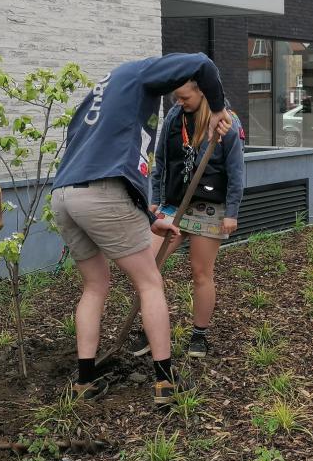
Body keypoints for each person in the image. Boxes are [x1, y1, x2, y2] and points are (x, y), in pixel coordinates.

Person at [50, 52, 232, 406]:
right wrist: (219, 108)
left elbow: (95, 159)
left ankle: (85, 381)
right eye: (174, 92)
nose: (176, 98)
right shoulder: (139, 72)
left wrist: (149, 220)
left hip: (64, 195)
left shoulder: (101, 95)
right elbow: (203, 63)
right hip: (104, 193)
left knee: (95, 285)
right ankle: (165, 383)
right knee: (150, 283)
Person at [148, 81, 245, 359]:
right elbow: (162, 161)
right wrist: (156, 198)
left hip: (210, 207)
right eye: (176, 98)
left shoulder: (227, 120)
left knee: (201, 272)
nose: (179, 102)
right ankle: (151, 328)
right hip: (174, 204)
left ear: (202, 91)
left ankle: (199, 334)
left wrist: (232, 212)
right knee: (147, 266)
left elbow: (236, 170)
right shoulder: (173, 117)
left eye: (184, 97)